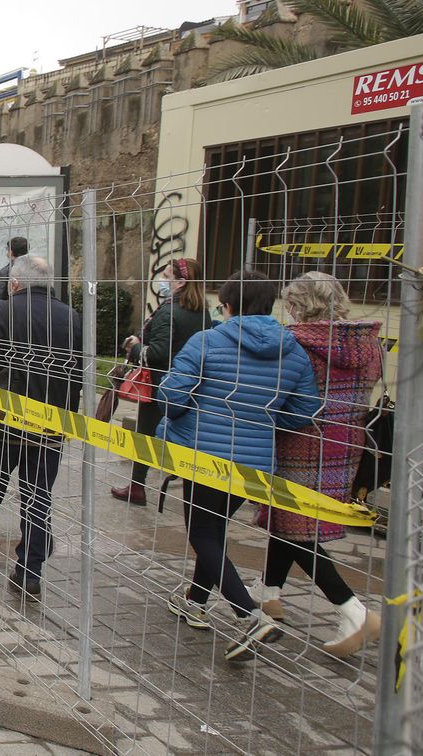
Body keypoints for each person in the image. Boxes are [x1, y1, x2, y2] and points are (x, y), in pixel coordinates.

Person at [158, 270, 322, 661]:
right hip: (253, 462)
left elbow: (172, 396)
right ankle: (195, 601)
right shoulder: (293, 350)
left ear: (228, 305)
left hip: (202, 455)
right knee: (214, 530)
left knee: (202, 534)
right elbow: (305, 408)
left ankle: (251, 615)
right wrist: (261, 424)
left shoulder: (207, 341)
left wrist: (186, 413)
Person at [253, 272, 384, 656]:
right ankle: (269, 592)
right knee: (290, 519)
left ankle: (353, 610)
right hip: (345, 443)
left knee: (297, 528)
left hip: (300, 441)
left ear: (297, 305)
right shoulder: (368, 343)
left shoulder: (296, 343)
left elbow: (283, 394)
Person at [0, 255, 84, 601]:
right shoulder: (72, 319)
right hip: (50, 426)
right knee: (38, 497)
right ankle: (29, 572)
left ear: (15, 283)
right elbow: (77, 375)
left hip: (0, 423)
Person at [111, 258, 212, 504]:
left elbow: (157, 353)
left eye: (167, 275)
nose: (162, 280)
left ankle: (137, 486)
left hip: (160, 384)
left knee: (145, 436)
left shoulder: (169, 311)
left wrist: (135, 347)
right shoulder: (203, 312)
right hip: (192, 384)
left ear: (181, 281)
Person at [0, 237, 29, 303]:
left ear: (11, 252)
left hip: (11, 310)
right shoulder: (36, 270)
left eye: (7, 249)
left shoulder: (4, 273)